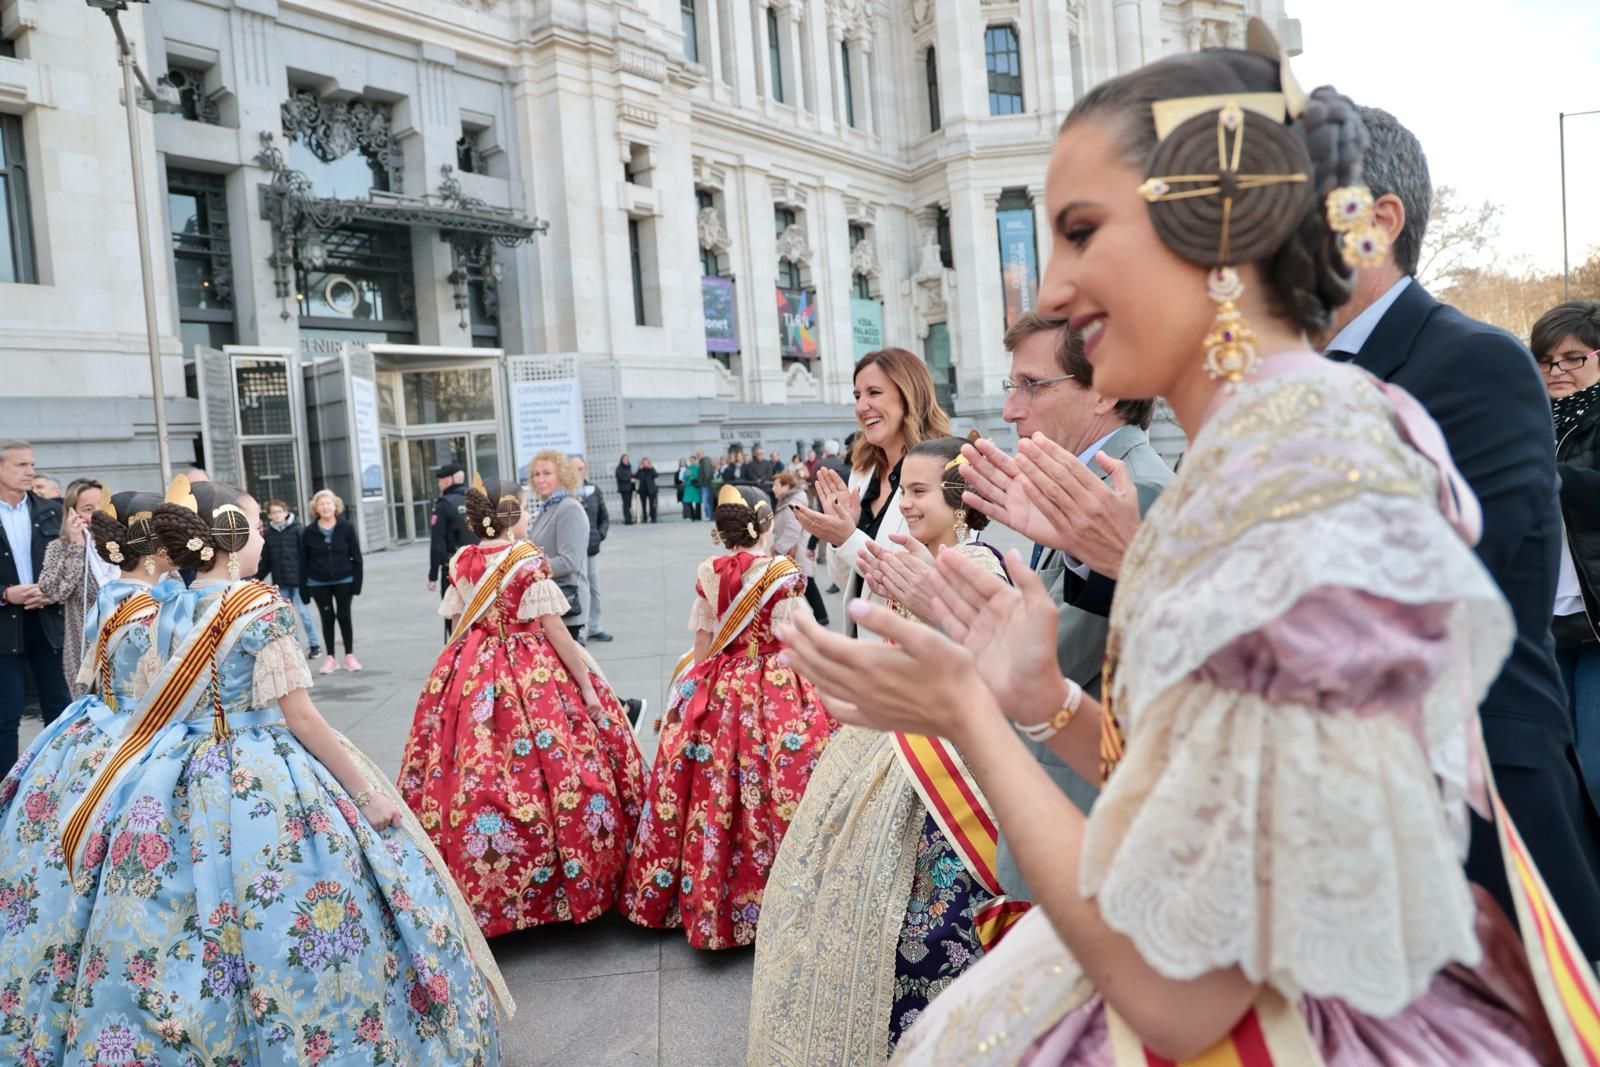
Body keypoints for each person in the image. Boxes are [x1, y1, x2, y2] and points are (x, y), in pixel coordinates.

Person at [776, 30, 1575, 1065]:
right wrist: (1041, 701)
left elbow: (1186, 993)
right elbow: (1194, 803)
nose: (1054, 290)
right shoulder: (1261, 442)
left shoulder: (1300, 458)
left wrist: (963, 714)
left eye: (1080, 231)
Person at [0, 476, 511, 1062]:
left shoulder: (168, 605)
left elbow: (148, 706)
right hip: (260, 773)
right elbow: (302, 718)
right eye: (257, 527)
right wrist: (367, 793)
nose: (265, 537)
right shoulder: (260, 607)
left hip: (174, 775)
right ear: (233, 535)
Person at [1319, 106, 1600, 959]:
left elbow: (1433, 589)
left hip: (1476, 812)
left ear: (1377, 224)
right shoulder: (1282, 379)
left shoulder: (1470, 360)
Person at [751, 434, 1016, 1062]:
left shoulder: (975, 563)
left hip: (941, 764)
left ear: (960, 500)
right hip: (889, 744)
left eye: (920, 492)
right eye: (904, 491)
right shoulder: (924, 554)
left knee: (915, 921)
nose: (907, 504)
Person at [399, 478, 645, 935]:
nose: (531, 515)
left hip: (470, 669)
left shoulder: (463, 561)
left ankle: (485, 892)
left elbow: (457, 628)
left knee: (470, 772)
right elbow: (556, 631)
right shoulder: (528, 561)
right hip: (533, 673)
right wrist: (589, 691)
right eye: (526, 508)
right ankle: (562, 884)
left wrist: (448, 683)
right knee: (557, 768)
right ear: (512, 515)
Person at [0, 489, 186, 1062]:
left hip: (92, 725)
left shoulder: (118, 594)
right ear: (157, 549)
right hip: (137, 729)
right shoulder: (155, 608)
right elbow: (160, 688)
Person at [625, 484, 835, 948]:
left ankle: (709, 897)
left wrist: (692, 689)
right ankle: (778, 899)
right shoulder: (782, 574)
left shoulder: (708, 570)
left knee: (711, 786)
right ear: (764, 526)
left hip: (719, 683)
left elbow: (703, 642)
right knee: (774, 777)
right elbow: (800, 639)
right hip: (773, 685)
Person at [794, 348, 953, 639]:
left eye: (874, 392)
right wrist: (839, 531)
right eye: (857, 396)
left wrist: (846, 537)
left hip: (917, 652)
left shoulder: (943, 466)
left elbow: (912, 579)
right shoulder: (863, 472)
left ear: (909, 395)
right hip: (863, 648)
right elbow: (849, 584)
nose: (861, 406)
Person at [1533, 299, 1600, 810]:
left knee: (1596, 772)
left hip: (1596, 621)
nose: (1557, 370)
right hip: (1544, 624)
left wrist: (1545, 473)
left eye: (1573, 357)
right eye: (1546, 359)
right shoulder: (1527, 421)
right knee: (1559, 774)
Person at [0, 440, 68, 769]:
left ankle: (56, 787)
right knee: (6, 716)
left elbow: (73, 565)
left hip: (48, 624)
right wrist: (4, 594)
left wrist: (53, 591)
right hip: (4, 629)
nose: (30, 471)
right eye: (21, 465)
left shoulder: (52, 510)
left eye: (32, 464)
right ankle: (5, 800)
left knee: (60, 710)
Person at [36, 478, 120, 697]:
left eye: (102, 506)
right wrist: (75, 549)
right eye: (89, 509)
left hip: (130, 646)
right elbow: (53, 591)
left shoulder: (128, 543)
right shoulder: (60, 547)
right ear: (72, 513)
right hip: (86, 651)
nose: (99, 514)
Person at [528, 450, 592, 645]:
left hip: (566, 605)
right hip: (551, 604)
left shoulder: (568, 508)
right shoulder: (548, 508)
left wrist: (528, 569)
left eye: (547, 473)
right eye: (536, 474)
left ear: (562, 476)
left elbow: (568, 562)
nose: (540, 479)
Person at [299, 488, 363, 674]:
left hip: (344, 579)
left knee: (344, 616)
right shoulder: (308, 532)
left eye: (329, 503)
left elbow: (356, 557)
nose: (326, 507)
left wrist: (357, 583)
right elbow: (303, 561)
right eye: (322, 504)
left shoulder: (347, 528)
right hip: (318, 582)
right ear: (316, 508)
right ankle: (330, 657)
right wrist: (303, 588)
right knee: (327, 618)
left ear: (336, 506)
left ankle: (350, 656)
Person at [254, 498, 323, 663]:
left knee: (304, 613)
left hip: (299, 582)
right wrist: (256, 579)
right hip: (281, 582)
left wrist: (310, 578)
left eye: (280, 511)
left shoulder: (298, 530)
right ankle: (295, 646)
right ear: (269, 516)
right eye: (273, 512)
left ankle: (314, 645)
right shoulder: (269, 534)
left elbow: (307, 556)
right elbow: (266, 561)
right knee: (287, 617)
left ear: (285, 513)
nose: (277, 515)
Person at [771, 469, 830, 626]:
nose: (773, 488)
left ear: (787, 486)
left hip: (797, 548)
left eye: (776, 485)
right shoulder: (788, 501)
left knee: (806, 582)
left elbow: (792, 529)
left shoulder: (792, 503)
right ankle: (818, 616)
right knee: (803, 582)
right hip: (795, 548)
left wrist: (779, 549)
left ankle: (820, 617)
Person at [427, 463, 476, 640]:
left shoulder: (443, 505)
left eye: (441, 480)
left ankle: (458, 655)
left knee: (454, 612)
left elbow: (437, 543)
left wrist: (432, 575)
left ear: (449, 480)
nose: (440, 484)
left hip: (454, 570)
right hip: (481, 567)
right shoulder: (477, 499)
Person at [572, 457, 614, 643]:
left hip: (592, 548)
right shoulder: (566, 494)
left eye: (581, 468)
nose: (579, 472)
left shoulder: (594, 491)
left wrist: (600, 534)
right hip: (575, 552)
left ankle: (595, 626)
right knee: (580, 589)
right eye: (575, 469)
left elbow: (604, 517)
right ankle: (580, 629)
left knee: (594, 587)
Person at [635, 457, 660, 524]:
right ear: (642, 463)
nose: (645, 464)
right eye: (644, 462)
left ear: (648, 463)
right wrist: (639, 469)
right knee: (643, 505)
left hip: (651, 490)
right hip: (643, 490)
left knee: (653, 505)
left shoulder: (651, 469)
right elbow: (636, 476)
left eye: (646, 462)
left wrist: (651, 468)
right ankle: (645, 518)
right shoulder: (640, 470)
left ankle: (653, 517)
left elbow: (656, 475)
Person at [615, 454, 636, 525]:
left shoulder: (629, 467)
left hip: (630, 488)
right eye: (624, 459)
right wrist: (629, 479)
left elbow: (631, 475)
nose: (626, 460)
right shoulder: (619, 468)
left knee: (629, 504)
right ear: (622, 460)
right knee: (626, 504)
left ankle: (629, 518)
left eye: (627, 459)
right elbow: (620, 478)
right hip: (624, 489)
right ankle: (628, 520)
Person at [696, 451, 714, 521]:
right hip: (703, 484)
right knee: (705, 501)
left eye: (699, 454)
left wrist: (705, 482)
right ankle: (708, 516)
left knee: (706, 501)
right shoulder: (701, 462)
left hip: (705, 484)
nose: (698, 455)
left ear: (702, 454)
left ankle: (709, 516)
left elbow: (707, 472)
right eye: (697, 454)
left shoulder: (705, 460)